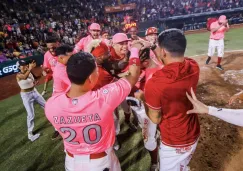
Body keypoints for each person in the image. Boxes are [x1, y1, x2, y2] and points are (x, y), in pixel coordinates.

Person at [45, 42, 143, 170]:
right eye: (96, 70)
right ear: (91, 77)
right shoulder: (103, 98)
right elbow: (134, 74)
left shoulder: (51, 105)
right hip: (100, 162)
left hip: (71, 161)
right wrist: (135, 50)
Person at [136, 29, 200, 171]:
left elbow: (155, 118)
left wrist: (143, 97)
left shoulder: (155, 83)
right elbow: (170, 62)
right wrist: (152, 46)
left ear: (163, 51)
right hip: (193, 131)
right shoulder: (193, 66)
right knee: (183, 165)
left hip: (174, 141)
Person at [16, 60, 46, 142]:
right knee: (31, 115)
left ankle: (54, 120)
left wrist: (42, 75)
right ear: (19, 67)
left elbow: (35, 79)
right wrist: (30, 68)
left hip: (34, 92)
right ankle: (30, 134)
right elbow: (24, 77)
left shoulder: (29, 72)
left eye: (25, 64)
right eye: (22, 65)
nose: (25, 66)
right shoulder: (18, 75)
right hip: (26, 96)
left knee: (46, 106)